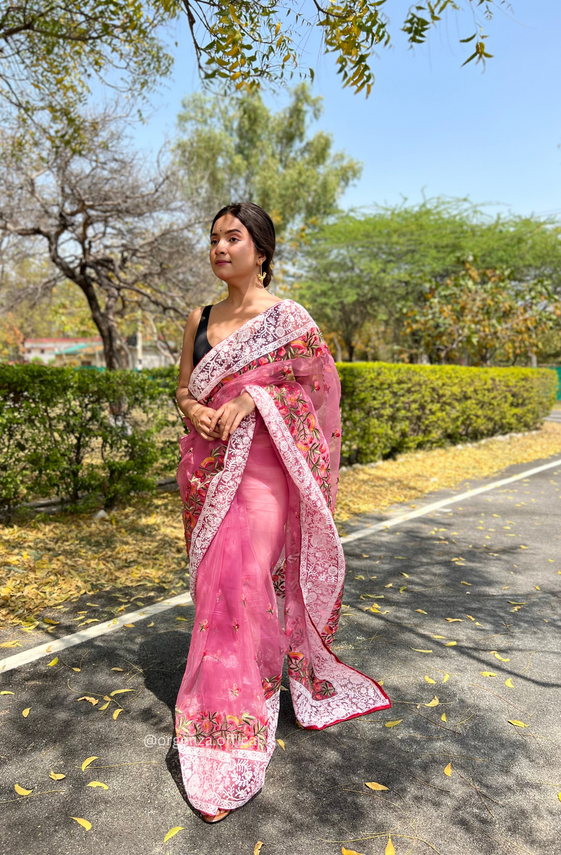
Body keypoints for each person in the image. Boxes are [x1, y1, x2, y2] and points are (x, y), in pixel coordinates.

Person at [175, 201, 390, 823]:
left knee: (244, 581)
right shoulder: (200, 317)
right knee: (219, 585)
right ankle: (252, 678)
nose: (220, 248)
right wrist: (196, 412)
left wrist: (256, 400)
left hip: (267, 470)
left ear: (261, 251)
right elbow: (185, 389)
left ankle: (229, 716)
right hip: (207, 469)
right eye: (214, 238)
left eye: (232, 238)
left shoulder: (289, 321)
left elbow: (317, 394)